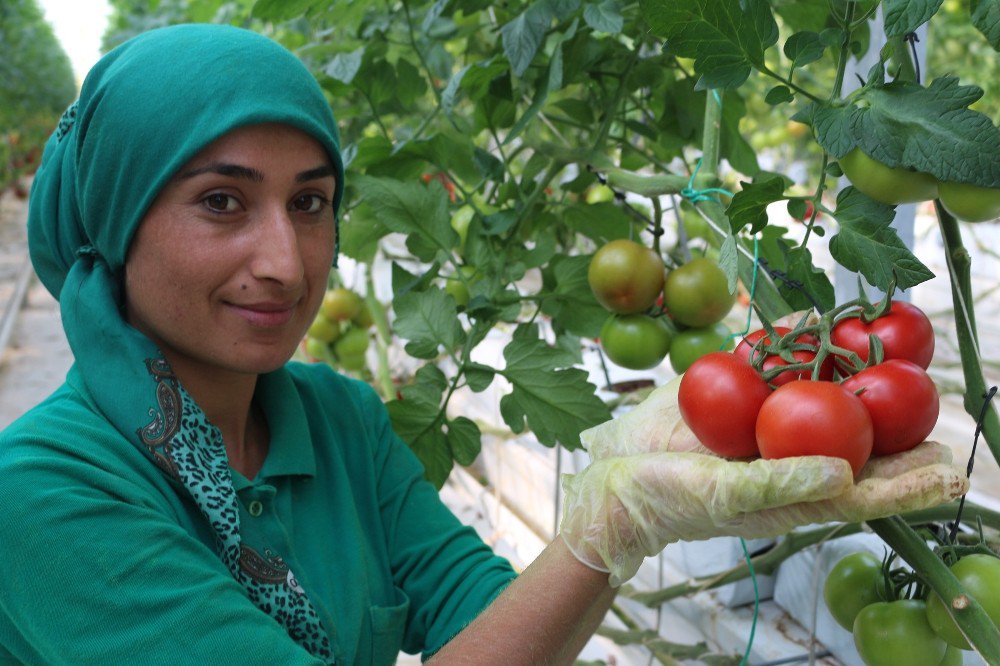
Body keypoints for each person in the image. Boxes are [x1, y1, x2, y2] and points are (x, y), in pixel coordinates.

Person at [0, 23, 968, 666]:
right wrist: (606, 531)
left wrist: (617, 514)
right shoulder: (44, 494)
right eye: (221, 202)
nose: (286, 262)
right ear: (118, 221)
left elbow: (478, 612)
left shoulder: (333, 418)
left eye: (310, 203)